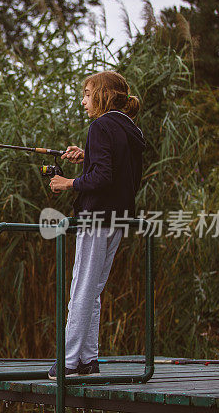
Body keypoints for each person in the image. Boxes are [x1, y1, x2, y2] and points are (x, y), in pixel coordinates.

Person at [46, 70, 146, 379]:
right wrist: (87, 155)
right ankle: (88, 359)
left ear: (102, 96)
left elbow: (103, 177)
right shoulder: (129, 128)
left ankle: (68, 361)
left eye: (88, 94)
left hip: (96, 217)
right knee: (94, 289)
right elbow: (118, 170)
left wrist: (67, 182)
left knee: (82, 288)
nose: (83, 100)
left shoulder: (100, 126)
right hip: (118, 218)